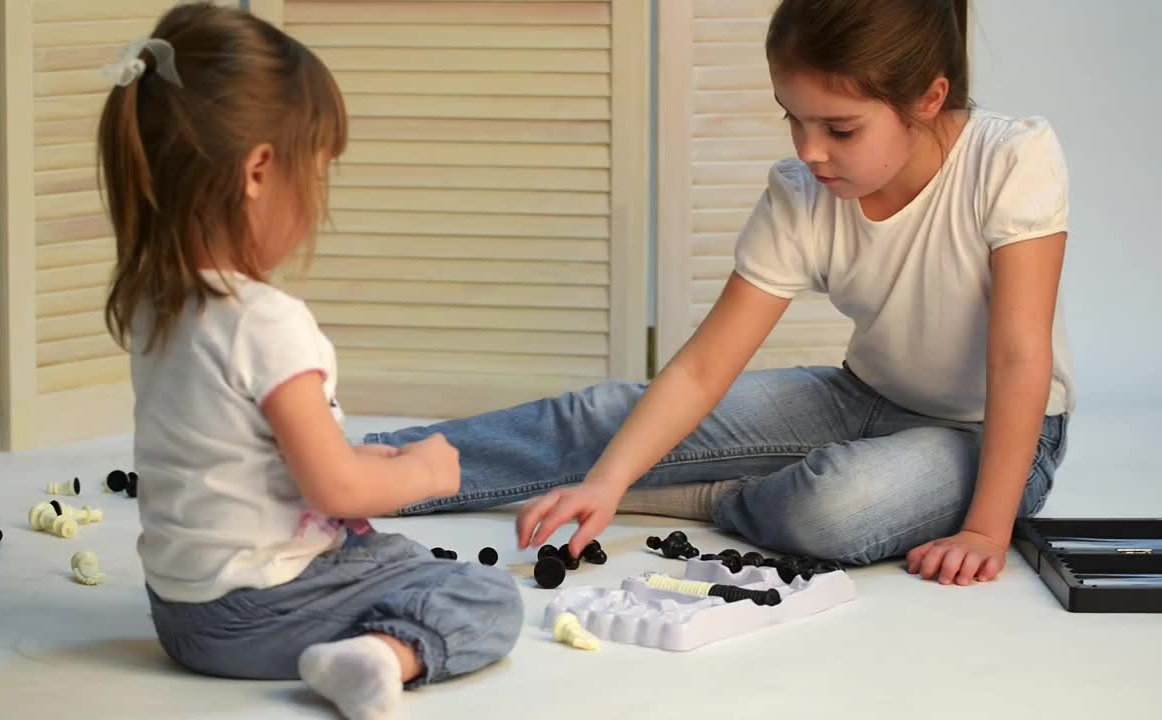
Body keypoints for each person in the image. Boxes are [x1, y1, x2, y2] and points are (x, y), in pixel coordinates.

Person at [366, 0, 1072, 588]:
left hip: (995, 431)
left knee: (835, 509)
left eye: (840, 128)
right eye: (792, 117)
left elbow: (1016, 359)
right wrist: (606, 480)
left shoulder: (1010, 159)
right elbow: (704, 367)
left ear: (929, 99)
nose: (809, 149)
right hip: (862, 396)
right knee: (609, 414)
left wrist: (987, 527)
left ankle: (713, 495)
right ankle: (364, 468)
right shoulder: (804, 193)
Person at [97, 5, 522, 719]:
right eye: (315, 176)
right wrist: (423, 473)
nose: (317, 206)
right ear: (259, 170)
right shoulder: (265, 322)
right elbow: (335, 493)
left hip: (183, 617)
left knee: (390, 554)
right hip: (265, 607)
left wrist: (361, 463)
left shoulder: (155, 303)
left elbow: (243, 454)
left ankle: (361, 647)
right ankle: (381, 657)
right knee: (481, 594)